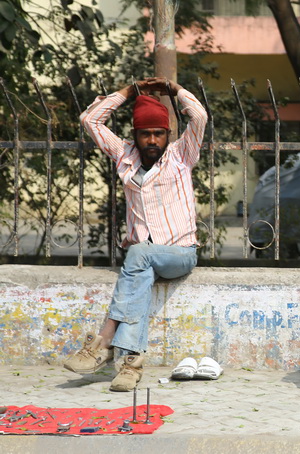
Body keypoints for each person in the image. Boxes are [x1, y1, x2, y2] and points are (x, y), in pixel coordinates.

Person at [63, 77, 207, 392]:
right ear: (135, 135)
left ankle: (102, 341)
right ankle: (131, 365)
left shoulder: (182, 154)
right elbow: (91, 120)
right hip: (143, 261)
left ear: (168, 134)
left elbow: (199, 116)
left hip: (179, 255)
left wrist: (174, 89)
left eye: (158, 134)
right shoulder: (124, 154)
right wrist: (129, 92)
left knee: (138, 253)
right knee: (138, 272)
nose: (152, 140)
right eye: (145, 134)